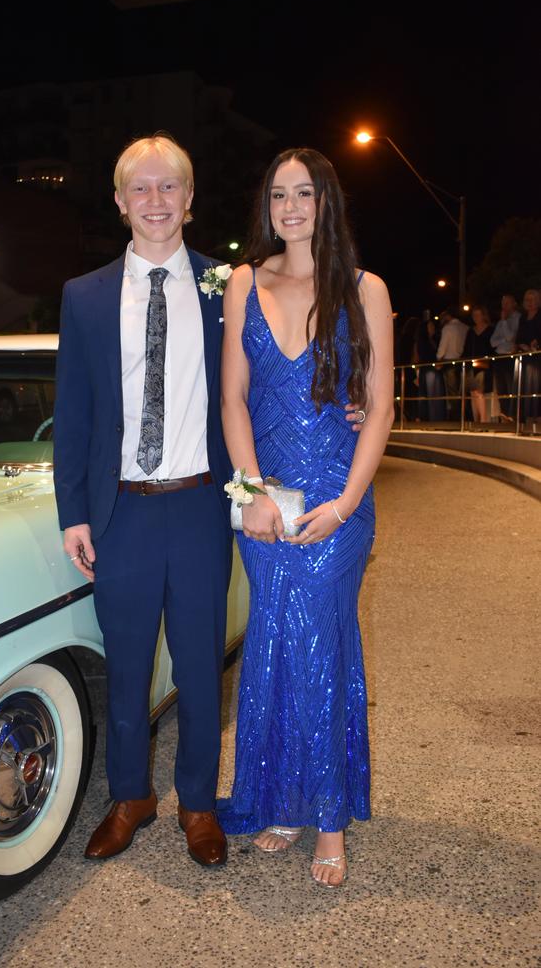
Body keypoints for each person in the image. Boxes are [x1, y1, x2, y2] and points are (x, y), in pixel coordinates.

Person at [53, 134, 234, 868]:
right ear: (121, 201)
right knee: (125, 670)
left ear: (189, 199)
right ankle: (130, 796)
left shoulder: (229, 285)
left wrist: (342, 410)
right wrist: (74, 511)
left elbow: (262, 385)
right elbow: (75, 413)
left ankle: (197, 803)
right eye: (141, 188)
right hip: (122, 513)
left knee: (198, 669)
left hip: (196, 510)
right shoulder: (85, 296)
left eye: (170, 187)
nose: (156, 202)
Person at [217, 148, 394, 887]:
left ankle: (328, 817)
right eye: (279, 194)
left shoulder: (365, 288)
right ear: (268, 205)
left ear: (326, 203)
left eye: (305, 194)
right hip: (264, 503)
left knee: (318, 642)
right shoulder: (243, 283)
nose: (291, 207)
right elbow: (232, 398)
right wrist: (251, 491)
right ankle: (283, 795)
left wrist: (348, 502)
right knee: (275, 643)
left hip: (336, 500)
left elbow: (381, 405)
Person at [463, 304, 496, 424]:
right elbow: (466, 348)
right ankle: (476, 419)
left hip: (484, 363)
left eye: (478, 315)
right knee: (472, 391)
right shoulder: (471, 331)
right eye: (474, 315)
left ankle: (483, 420)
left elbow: (492, 347)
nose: (475, 317)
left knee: (479, 391)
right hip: (471, 364)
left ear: (483, 316)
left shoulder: (490, 330)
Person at [490, 294, 520, 419]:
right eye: (503, 303)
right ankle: (504, 413)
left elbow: (510, 337)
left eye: (507, 303)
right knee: (501, 387)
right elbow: (492, 341)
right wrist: (503, 339)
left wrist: (503, 321)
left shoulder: (517, 318)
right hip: (499, 356)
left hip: (510, 356)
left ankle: (512, 414)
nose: (504, 306)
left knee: (510, 386)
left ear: (514, 304)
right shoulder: (501, 322)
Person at [437, 307, 469, 419]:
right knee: (461, 390)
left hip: (449, 361)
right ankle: (463, 415)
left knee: (452, 392)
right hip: (462, 361)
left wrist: (438, 358)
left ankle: (455, 417)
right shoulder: (465, 327)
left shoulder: (448, 328)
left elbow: (443, 346)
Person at [515, 288, 541, 422]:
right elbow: (519, 336)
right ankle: (528, 417)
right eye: (527, 300)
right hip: (525, 357)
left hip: (538, 358)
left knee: (537, 385)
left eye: (533, 300)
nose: (530, 303)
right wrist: (522, 345)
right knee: (526, 386)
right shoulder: (523, 317)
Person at [415, 316, 445, 421]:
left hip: (433, 369)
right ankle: (428, 416)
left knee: (434, 393)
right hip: (428, 369)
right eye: (430, 326)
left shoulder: (435, 339)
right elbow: (423, 355)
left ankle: (435, 416)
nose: (432, 328)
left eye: (433, 326)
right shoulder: (423, 341)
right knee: (429, 393)